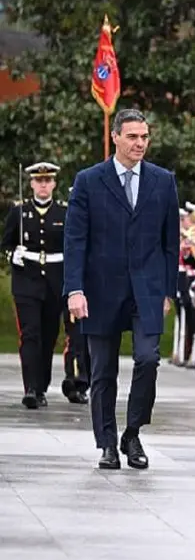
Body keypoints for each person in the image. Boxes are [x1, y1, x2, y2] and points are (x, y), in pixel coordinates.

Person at [62, 108, 180, 470]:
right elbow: (75, 239)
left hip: (146, 288)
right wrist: (74, 289)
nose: (139, 143)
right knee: (102, 371)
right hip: (100, 290)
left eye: (144, 136)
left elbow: (170, 242)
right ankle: (108, 444)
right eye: (132, 136)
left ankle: (132, 433)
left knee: (148, 359)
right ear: (115, 137)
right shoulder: (89, 180)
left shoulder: (163, 181)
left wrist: (167, 291)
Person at [3, 162, 75, 408]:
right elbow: (5, 244)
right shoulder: (19, 212)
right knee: (30, 335)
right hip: (27, 281)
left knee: (48, 335)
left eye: (48, 180)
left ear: (54, 184)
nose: (43, 185)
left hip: (55, 280)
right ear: (32, 183)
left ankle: (42, 385)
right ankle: (31, 388)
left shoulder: (65, 213)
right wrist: (13, 254)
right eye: (38, 181)